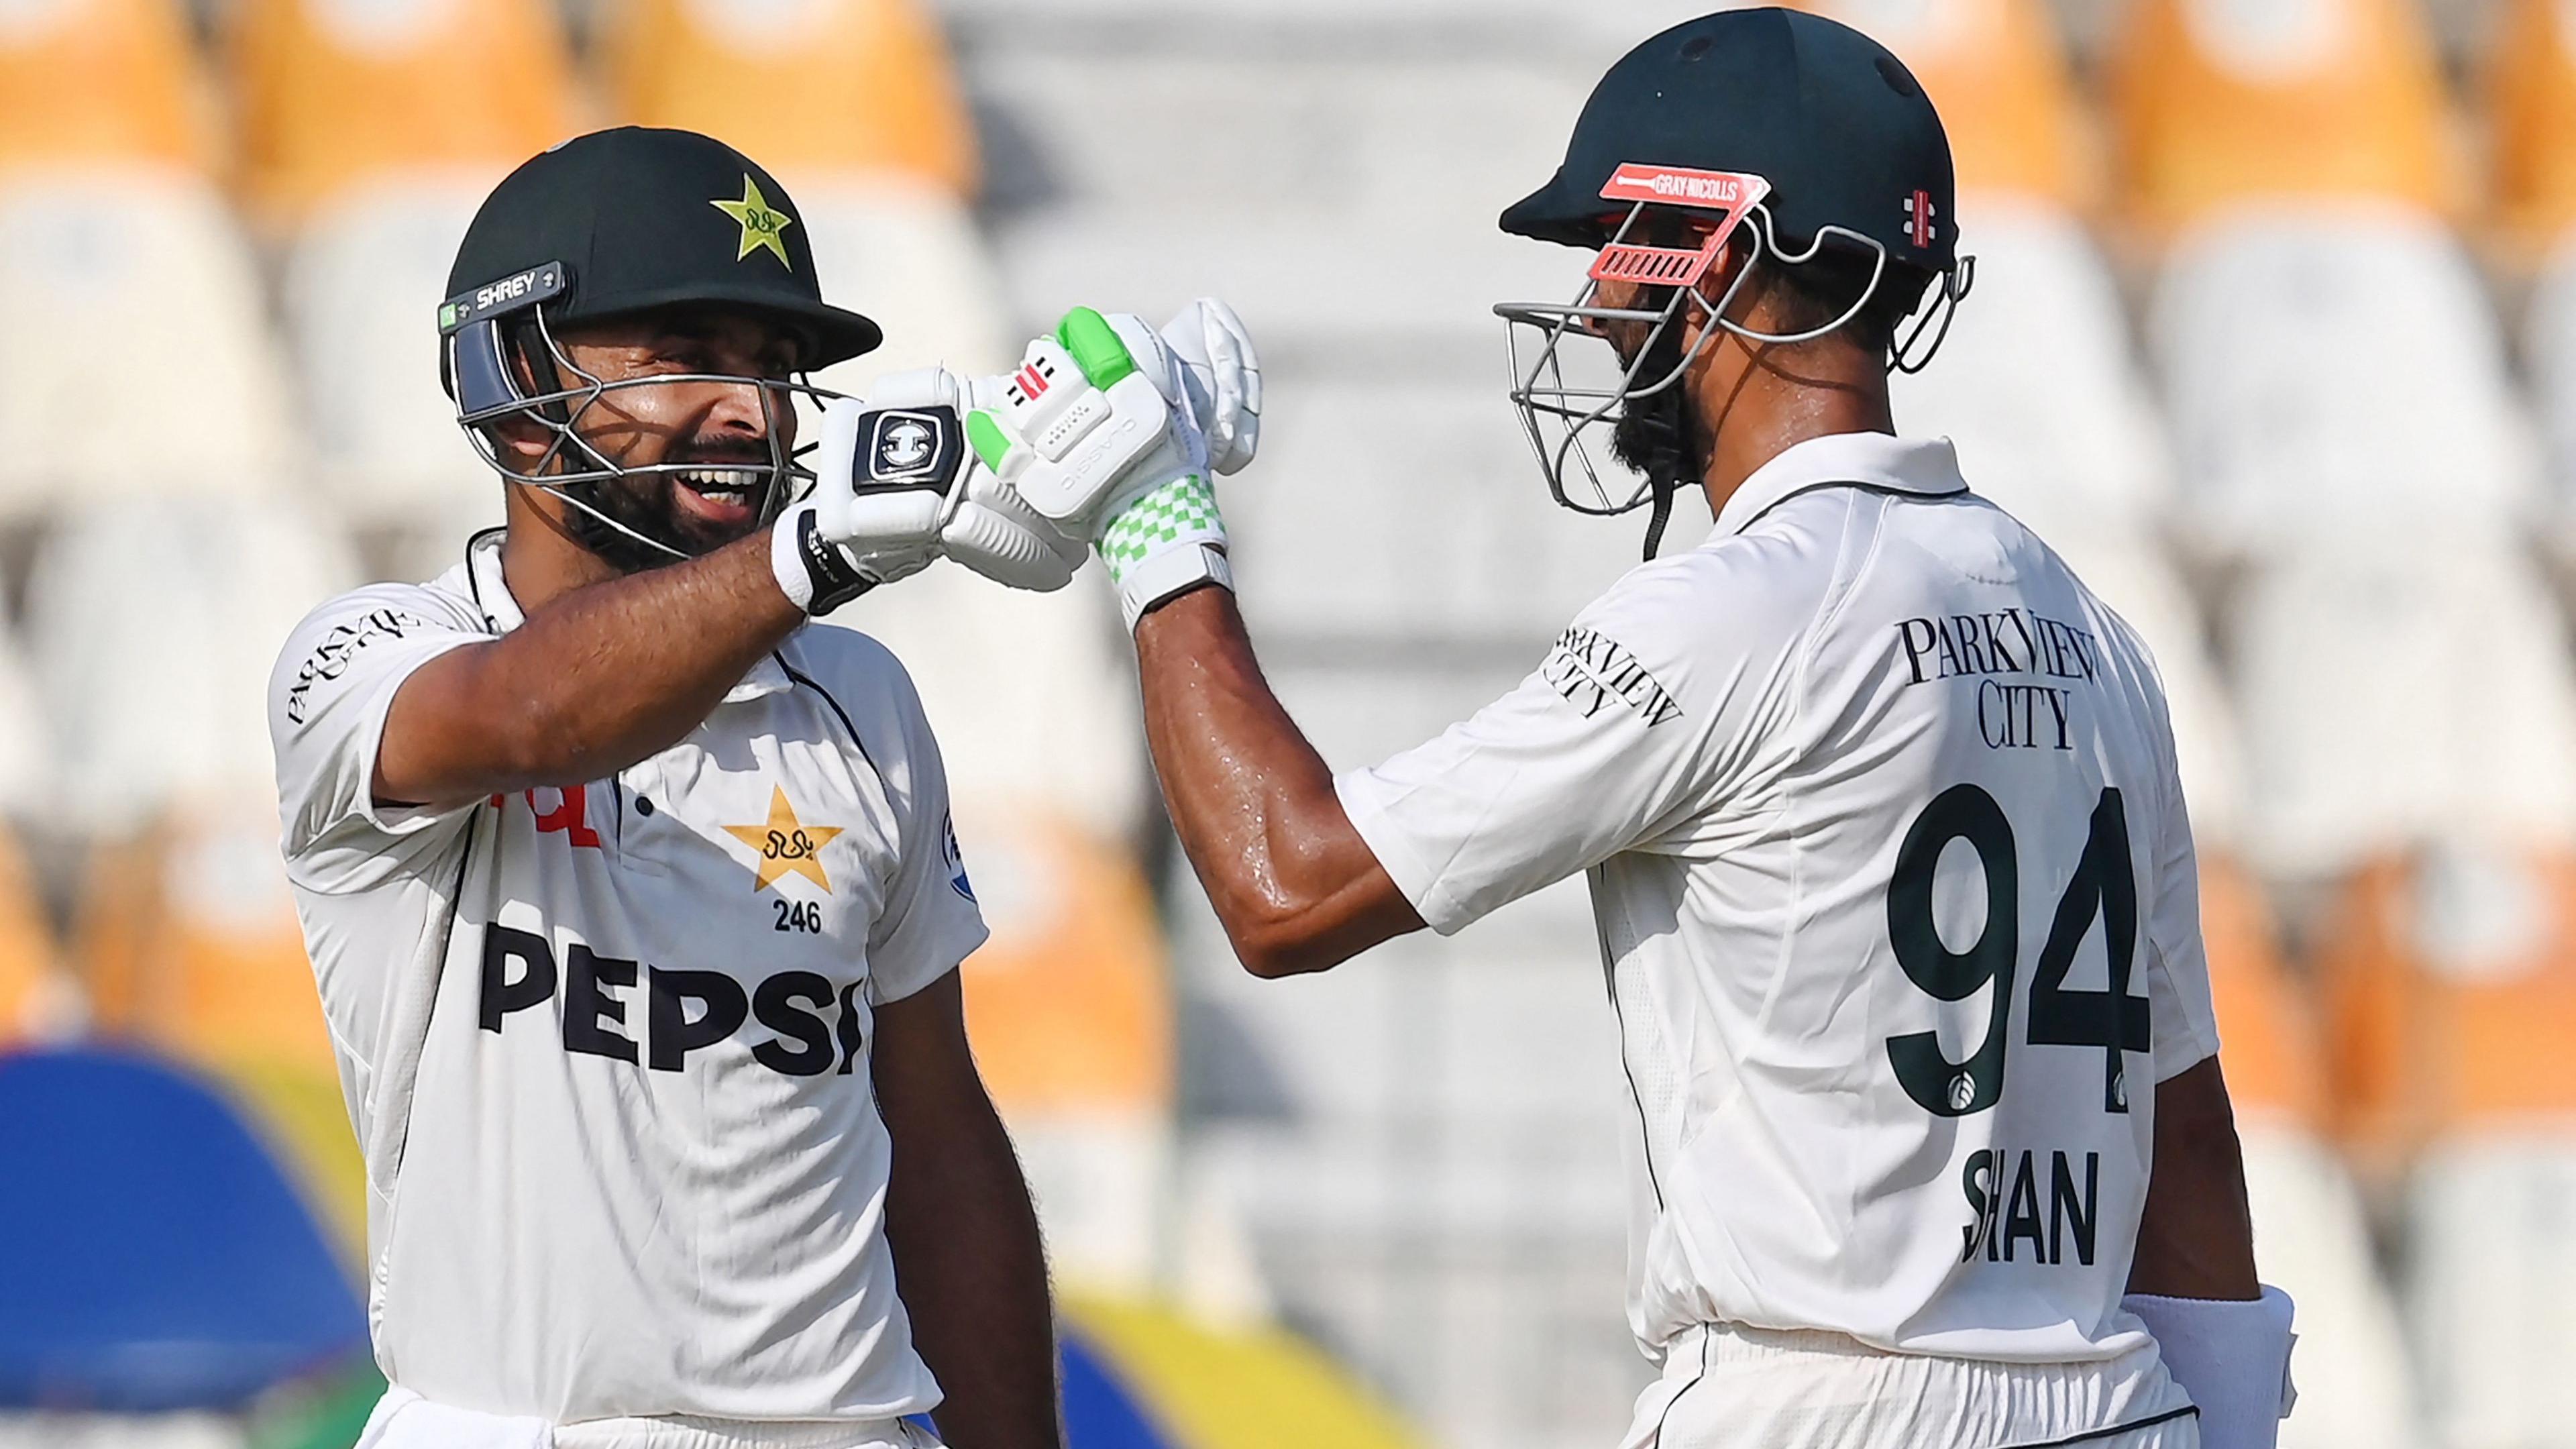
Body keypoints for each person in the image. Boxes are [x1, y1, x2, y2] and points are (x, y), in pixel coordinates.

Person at [955, 10, 2298, 1449]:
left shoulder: (1730, 613)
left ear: (1715, 255)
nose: (1597, 300)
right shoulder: (2102, 638)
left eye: (1617, 242)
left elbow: (1285, 887)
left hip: (1819, 1407)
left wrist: (1160, 530)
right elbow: (2186, 1142)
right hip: (2115, 1413)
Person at [266, 126, 1126, 1449]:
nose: (751, 411)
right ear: (510, 376)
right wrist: (821, 548)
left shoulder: (862, 699)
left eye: (776, 370)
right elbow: (532, 710)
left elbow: (937, 1139)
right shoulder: (368, 655)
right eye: (687, 359)